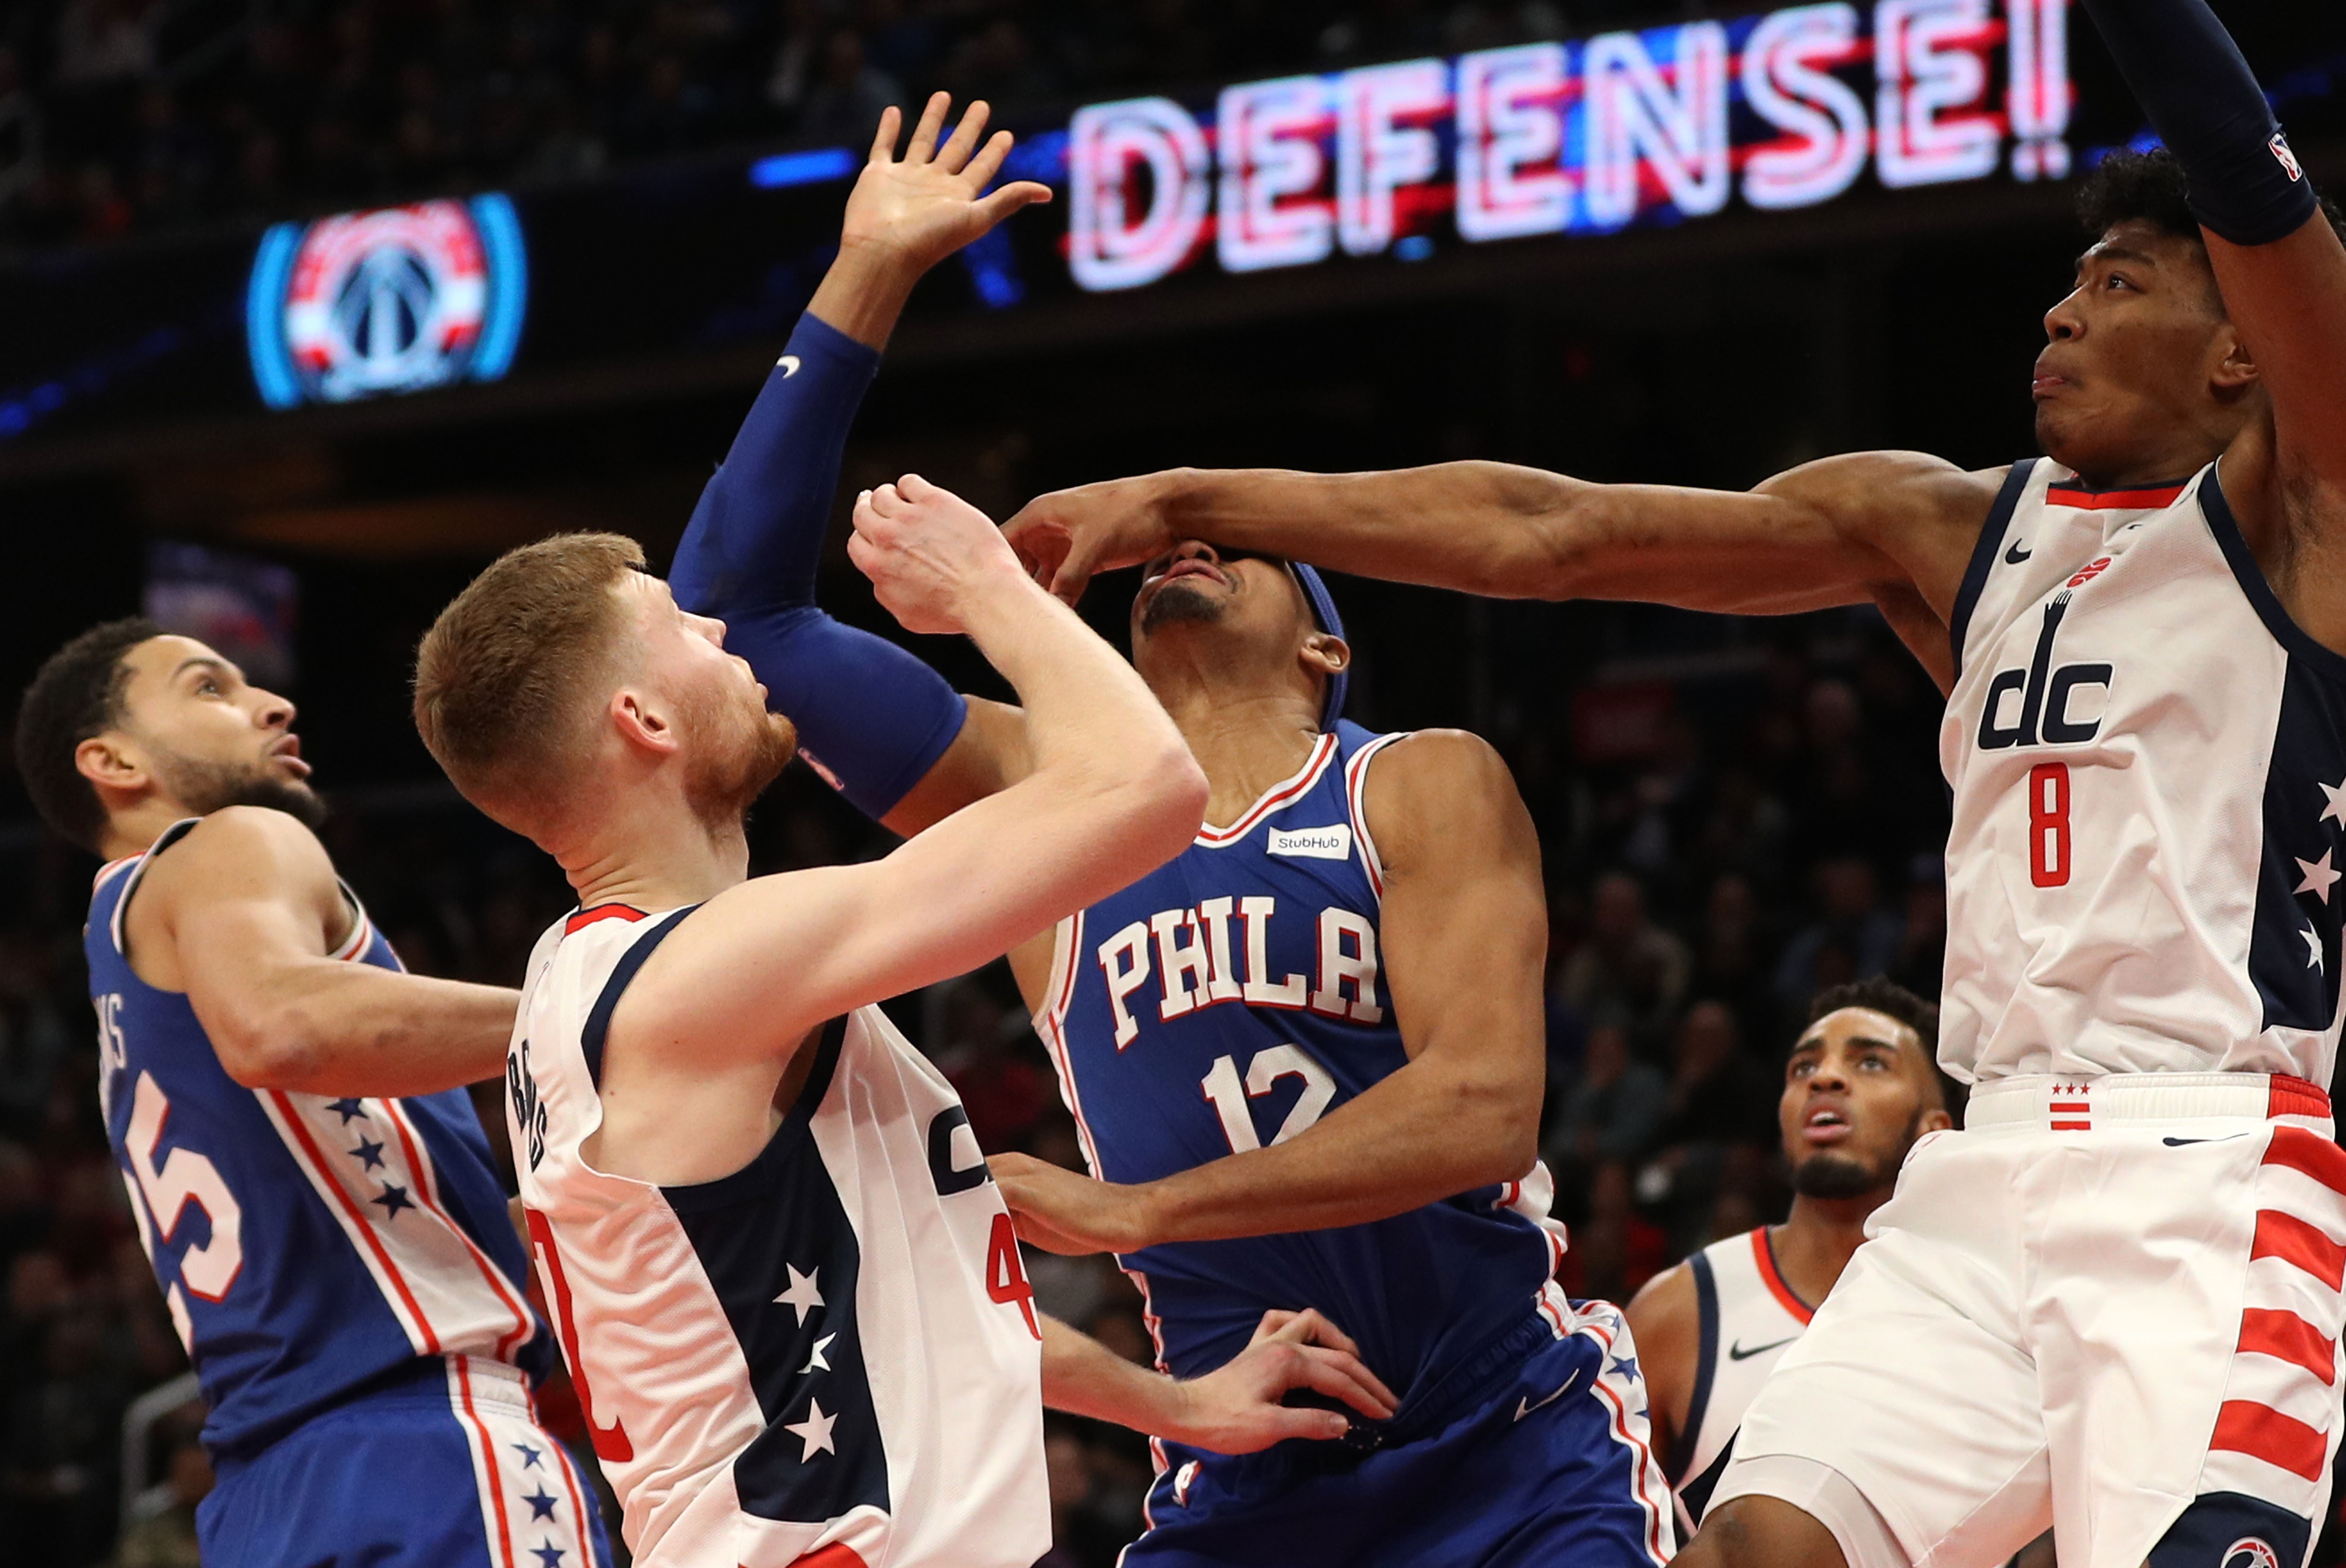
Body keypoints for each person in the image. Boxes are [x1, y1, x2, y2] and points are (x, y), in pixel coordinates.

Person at [1000, 0, 2346, 1559]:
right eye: (2063, 281)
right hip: (1979, 1167)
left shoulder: (2306, 507)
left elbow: (2252, 192)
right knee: (1750, 1544)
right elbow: (1552, 531)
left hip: (2208, 1164)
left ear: (2244, 344)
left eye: (2115, 284)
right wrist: (1188, 489)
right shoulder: (1952, 525)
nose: (2057, 314)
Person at [409, 97, 1393, 1568]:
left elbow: (920, 1290)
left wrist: (1178, 1401)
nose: (721, 631)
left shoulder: (618, 979)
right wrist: (990, 585)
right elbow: (1147, 788)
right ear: (643, 723)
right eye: (678, 632)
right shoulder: (700, 978)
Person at [665, 143, 1674, 1565]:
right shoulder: (1032, 786)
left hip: (1508, 1434)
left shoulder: (1417, 778)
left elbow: (1481, 1108)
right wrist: (872, 274)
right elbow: (729, 622)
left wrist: (1140, 1209)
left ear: (1327, 641)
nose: (1179, 550)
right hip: (1241, 1464)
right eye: (1162, 549)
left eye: (1234, 547)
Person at [12, 621, 612, 1567]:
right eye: (209, 688)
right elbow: (281, 1026)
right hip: (421, 1449)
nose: (273, 704)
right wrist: (610, 1006)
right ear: (112, 760)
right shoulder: (227, 843)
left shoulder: (124, 970)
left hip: (266, 1495)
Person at [1628, 980, 1951, 1534]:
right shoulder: (1682, 1310)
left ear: (1934, 1130)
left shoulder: (1998, 1319)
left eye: (1871, 1063)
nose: (1824, 1078)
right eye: (1803, 1068)